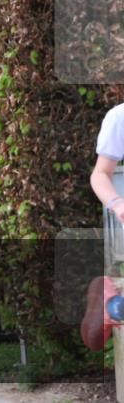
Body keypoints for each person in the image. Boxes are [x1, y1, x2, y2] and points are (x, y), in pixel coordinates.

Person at [82, 102, 124, 351]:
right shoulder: (119, 117)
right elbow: (100, 174)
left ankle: (113, 301)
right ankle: (110, 300)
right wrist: (117, 203)